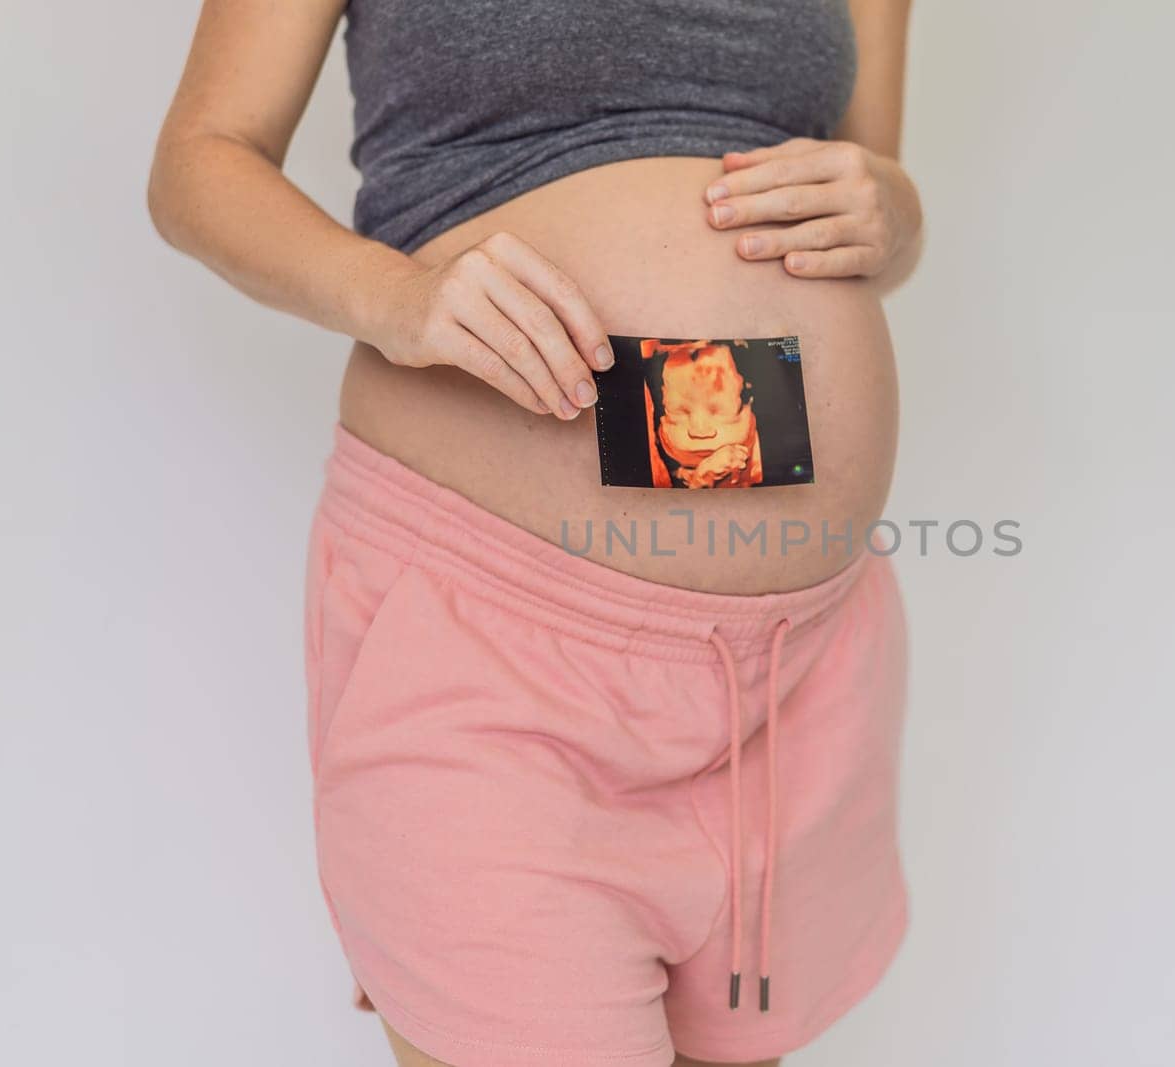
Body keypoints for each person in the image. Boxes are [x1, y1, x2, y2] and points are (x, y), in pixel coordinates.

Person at [147, 1, 924, 1064]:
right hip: (494, 649)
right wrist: (398, 299)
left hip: (797, 676)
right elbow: (201, 160)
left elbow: (866, 181)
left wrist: (894, 209)